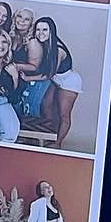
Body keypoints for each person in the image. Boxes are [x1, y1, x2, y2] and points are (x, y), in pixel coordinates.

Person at [31, 15, 84, 148]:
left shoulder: (58, 49)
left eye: (44, 30)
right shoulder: (42, 45)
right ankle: (49, 134)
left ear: (51, 31)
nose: (40, 33)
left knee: (63, 114)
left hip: (69, 82)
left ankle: (58, 143)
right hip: (56, 80)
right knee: (45, 105)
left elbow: (49, 74)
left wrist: (28, 78)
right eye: (38, 30)